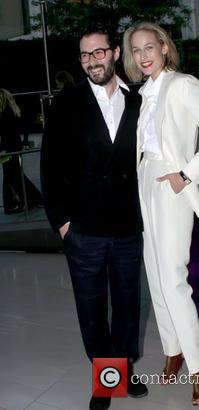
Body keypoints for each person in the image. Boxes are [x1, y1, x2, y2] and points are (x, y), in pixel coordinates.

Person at [40, 24, 148, 410]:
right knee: (91, 307)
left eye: (99, 53)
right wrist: (62, 221)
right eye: (85, 55)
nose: (92, 62)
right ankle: (107, 379)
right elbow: (49, 166)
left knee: (127, 305)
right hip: (83, 228)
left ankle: (123, 368)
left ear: (115, 53)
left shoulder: (138, 100)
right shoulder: (65, 103)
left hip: (127, 226)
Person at [123, 22, 199, 406]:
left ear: (164, 47)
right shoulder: (142, 92)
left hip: (173, 183)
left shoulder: (182, 84)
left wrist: (186, 175)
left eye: (149, 47)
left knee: (173, 277)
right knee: (154, 274)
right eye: (136, 50)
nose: (143, 55)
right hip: (144, 181)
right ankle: (173, 350)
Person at [0, 88, 43, 214]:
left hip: (8, 148)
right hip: (12, 146)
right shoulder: (11, 111)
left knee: (12, 176)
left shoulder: (5, 114)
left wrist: (3, 149)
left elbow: (7, 134)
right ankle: (33, 200)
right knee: (14, 175)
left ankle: (27, 201)